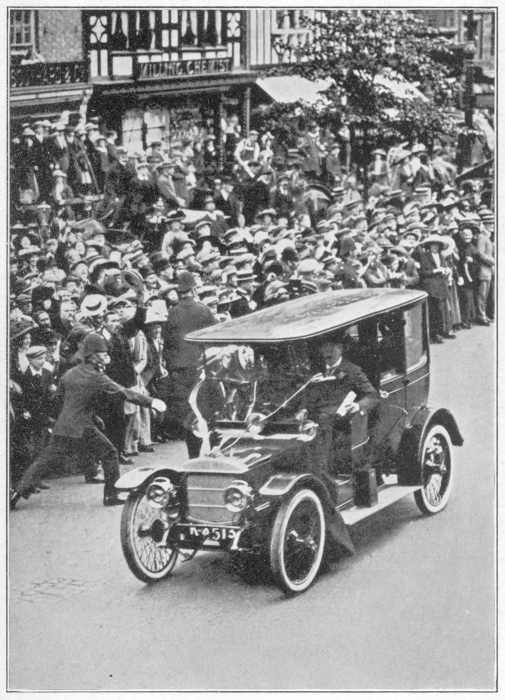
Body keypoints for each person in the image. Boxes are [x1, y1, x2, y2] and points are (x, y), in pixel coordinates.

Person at [10, 333, 167, 509]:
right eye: (103, 353)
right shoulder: (97, 377)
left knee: (44, 460)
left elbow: (58, 401)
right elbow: (124, 393)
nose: (106, 356)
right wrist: (152, 402)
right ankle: (111, 495)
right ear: (92, 356)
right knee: (110, 453)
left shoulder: (68, 374)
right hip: (82, 426)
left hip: (64, 425)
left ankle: (16, 493)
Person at [306, 336, 380, 499]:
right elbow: (307, 397)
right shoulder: (315, 372)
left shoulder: (353, 370)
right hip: (315, 418)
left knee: (322, 426)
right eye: (324, 348)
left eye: (332, 348)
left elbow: (372, 396)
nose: (328, 352)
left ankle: (323, 478)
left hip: (341, 420)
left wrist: (357, 405)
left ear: (340, 348)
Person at [164, 271, 216, 457]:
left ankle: (193, 455)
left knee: (188, 414)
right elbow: (213, 338)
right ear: (193, 289)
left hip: (179, 372)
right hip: (200, 368)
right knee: (206, 410)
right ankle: (212, 451)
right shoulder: (204, 310)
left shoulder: (172, 312)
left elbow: (167, 344)